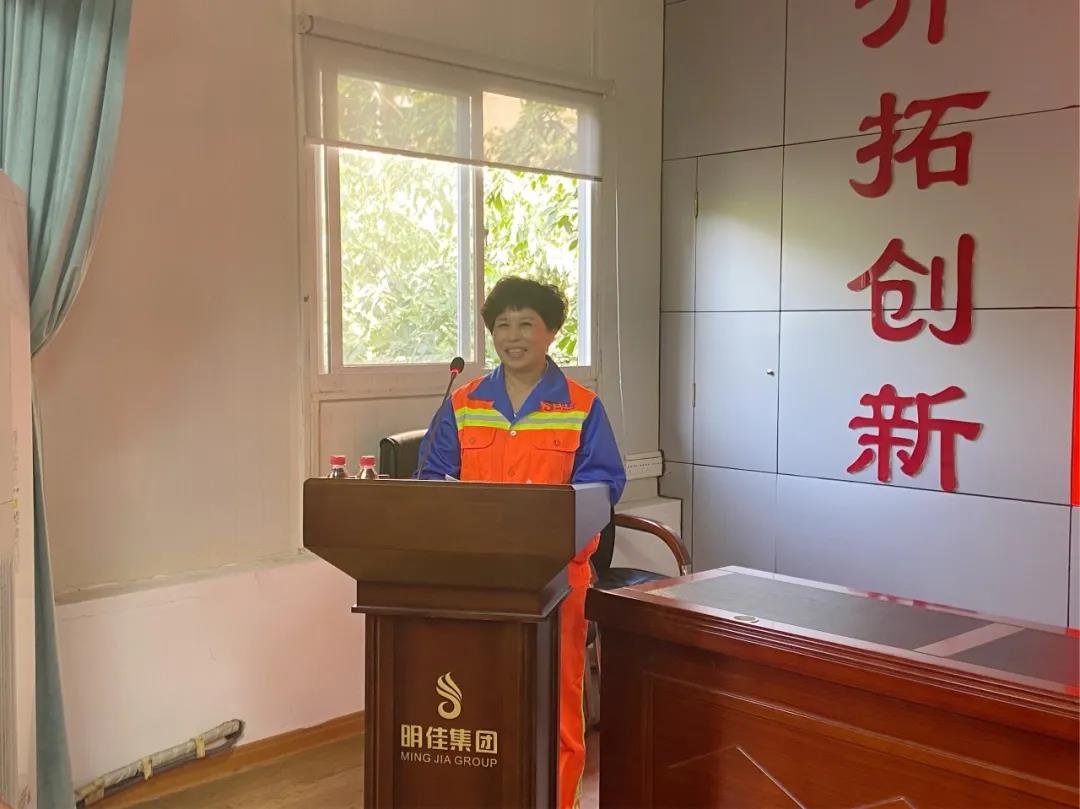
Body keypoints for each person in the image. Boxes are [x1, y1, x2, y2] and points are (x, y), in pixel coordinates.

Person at [417, 276, 626, 809]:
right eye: (503, 325)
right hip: (479, 582)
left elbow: (603, 488)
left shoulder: (581, 406)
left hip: (557, 581)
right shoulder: (464, 403)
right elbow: (433, 479)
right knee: (479, 702)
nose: (513, 336)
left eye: (526, 324)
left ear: (550, 332)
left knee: (558, 709)